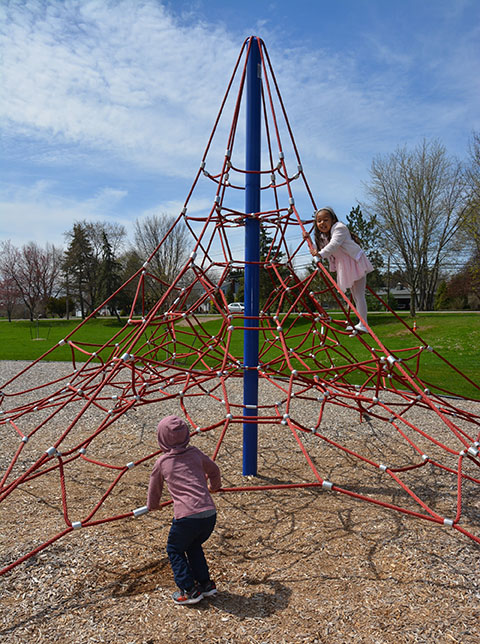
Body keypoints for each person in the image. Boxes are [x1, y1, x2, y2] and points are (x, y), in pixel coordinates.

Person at [147, 414, 221, 605]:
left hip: (187, 517)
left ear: (161, 439)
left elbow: (154, 489)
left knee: (174, 549)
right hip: (209, 514)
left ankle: (188, 590)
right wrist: (214, 486)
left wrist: (153, 506)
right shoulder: (196, 453)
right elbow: (214, 470)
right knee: (193, 545)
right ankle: (205, 584)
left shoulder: (162, 462)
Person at [308, 206, 373, 333]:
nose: (322, 223)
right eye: (319, 221)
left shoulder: (339, 228)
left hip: (355, 262)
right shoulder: (324, 236)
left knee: (359, 295)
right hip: (345, 265)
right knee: (355, 296)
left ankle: (364, 324)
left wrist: (320, 254)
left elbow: (334, 245)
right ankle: (361, 323)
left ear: (332, 220)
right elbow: (317, 248)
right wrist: (308, 239)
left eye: (325, 220)